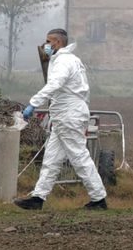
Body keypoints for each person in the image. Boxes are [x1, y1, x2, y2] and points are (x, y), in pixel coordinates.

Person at [13, 29, 108, 211]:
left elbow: (55, 84)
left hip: (68, 114)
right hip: (65, 114)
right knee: (51, 159)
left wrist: (33, 103)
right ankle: (38, 198)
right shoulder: (70, 60)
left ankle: (98, 198)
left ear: (57, 42)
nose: (46, 45)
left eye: (48, 41)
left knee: (79, 156)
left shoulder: (63, 61)